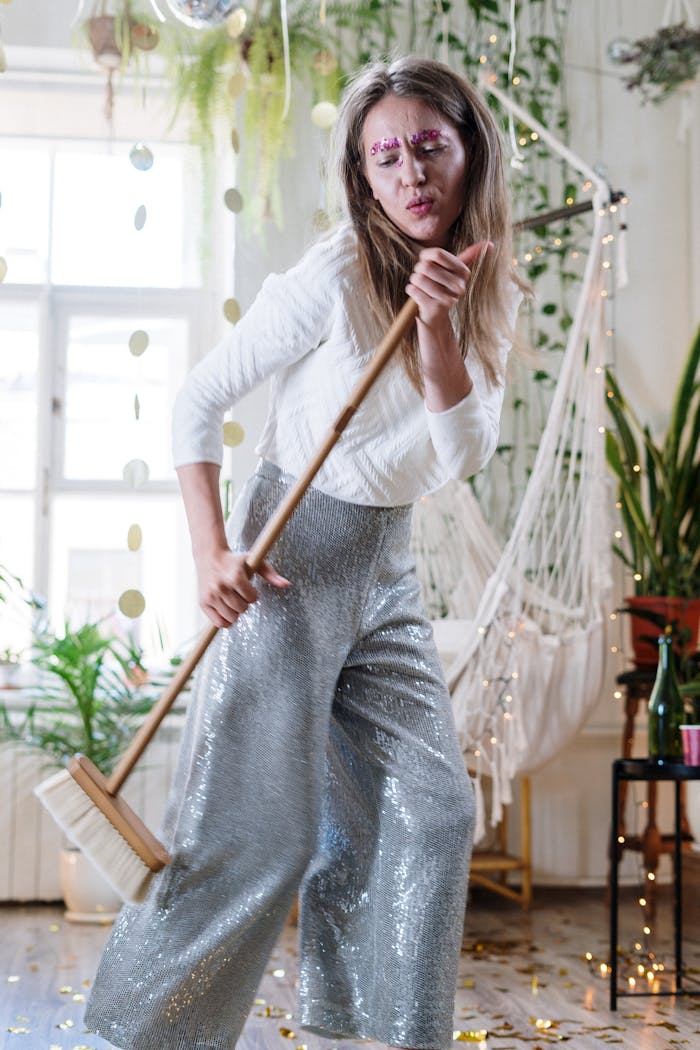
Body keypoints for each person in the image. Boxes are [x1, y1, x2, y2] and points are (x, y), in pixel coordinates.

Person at [85, 55, 524, 1050]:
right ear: (361, 178)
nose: (409, 173)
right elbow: (197, 402)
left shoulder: (482, 289)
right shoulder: (333, 271)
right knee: (259, 838)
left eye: (428, 147)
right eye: (384, 157)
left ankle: (364, 1028)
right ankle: (134, 1038)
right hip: (289, 557)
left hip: (388, 569)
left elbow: (461, 454)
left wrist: (440, 327)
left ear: (468, 152)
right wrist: (208, 555)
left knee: (433, 810)